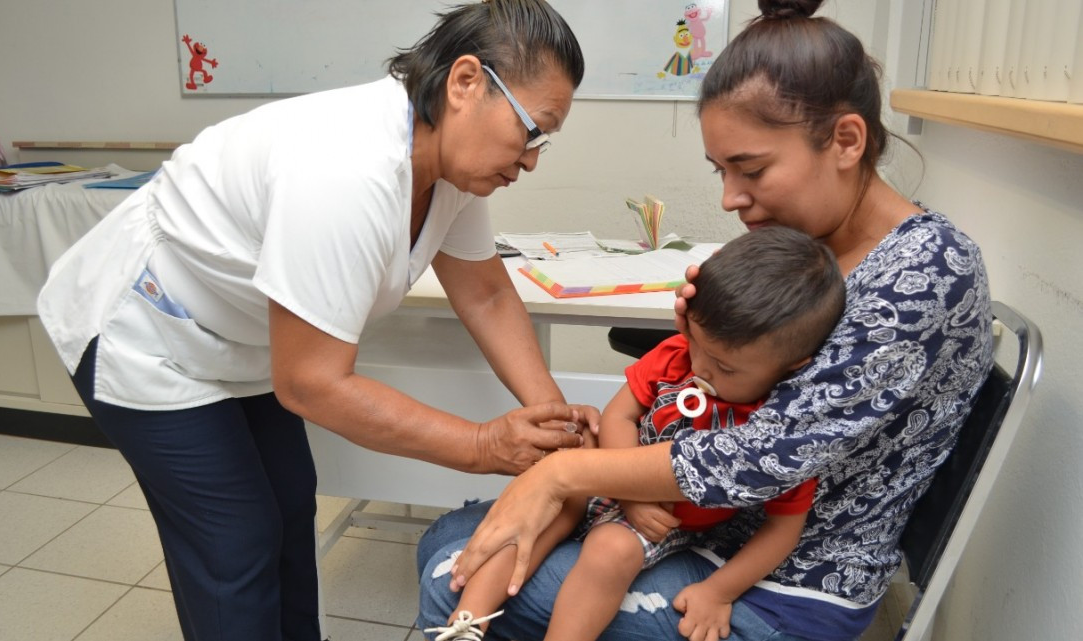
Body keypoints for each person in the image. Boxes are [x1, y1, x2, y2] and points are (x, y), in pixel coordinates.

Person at [416, 1, 996, 639]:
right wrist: (699, 335)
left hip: (780, 580)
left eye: (750, 169)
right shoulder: (806, 248)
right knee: (458, 535)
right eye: (721, 172)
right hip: (706, 523)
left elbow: (760, 453)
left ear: (847, 141)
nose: (731, 199)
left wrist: (564, 472)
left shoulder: (928, 269)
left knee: (455, 573)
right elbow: (724, 397)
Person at [36, 2, 595, 640]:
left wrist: (552, 422)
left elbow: (487, 293)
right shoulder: (345, 169)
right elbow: (313, 384)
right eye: (532, 130)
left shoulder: (450, 165)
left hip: (245, 342)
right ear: (465, 82)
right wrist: (483, 446)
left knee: (290, 503)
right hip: (148, 331)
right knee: (235, 541)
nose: (530, 160)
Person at [424, 226, 845, 641]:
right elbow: (619, 416)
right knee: (540, 514)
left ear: (793, 365)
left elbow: (782, 531)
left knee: (612, 550)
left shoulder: (779, 424)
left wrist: (719, 592)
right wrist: (629, 493)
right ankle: (467, 623)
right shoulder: (676, 356)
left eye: (726, 367)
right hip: (615, 481)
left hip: (664, 520)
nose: (701, 367)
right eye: (696, 342)